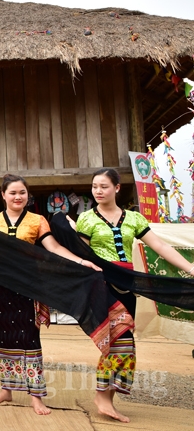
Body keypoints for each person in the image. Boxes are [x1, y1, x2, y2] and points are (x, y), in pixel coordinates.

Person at [76, 168, 194, 423]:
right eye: (95, 186)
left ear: (117, 188)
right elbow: (80, 255)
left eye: (104, 186)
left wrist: (190, 268)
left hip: (128, 285)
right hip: (102, 283)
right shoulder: (86, 219)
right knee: (119, 341)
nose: (98, 191)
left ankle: (106, 396)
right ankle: (102, 397)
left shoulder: (134, 219)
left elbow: (160, 246)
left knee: (126, 344)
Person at [0, 174, 99, 415]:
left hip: (28, 286)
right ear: (3, 195)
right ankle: (7, 389)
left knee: (29, 338)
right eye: (13, 192)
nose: (18, 197)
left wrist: (81, 261)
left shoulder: (37, 221)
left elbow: (54, 248)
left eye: (22, 193)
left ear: (28, 195)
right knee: (5, 337)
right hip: (1, 286)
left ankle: (36, 395)